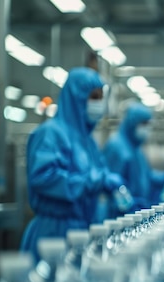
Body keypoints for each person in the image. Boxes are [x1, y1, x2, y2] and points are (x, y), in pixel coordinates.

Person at [20, 67, 129, 260]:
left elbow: (99, 174)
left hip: (83, 230)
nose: (99, 103)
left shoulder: (88, 141)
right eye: (94, 97)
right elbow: (43, 178)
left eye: (101, 97)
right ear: (77, 98)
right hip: (54, 233)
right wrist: (94, 181)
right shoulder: (51, 133)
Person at [102, 102, 164, 217]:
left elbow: (147, 176)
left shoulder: (137, 149)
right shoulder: (117, 146)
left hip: (138, 213)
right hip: (120, 215)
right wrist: (127, 204)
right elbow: (112, 185)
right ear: (132, 123)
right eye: (143, 123)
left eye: (149, 124)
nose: (147, 128)